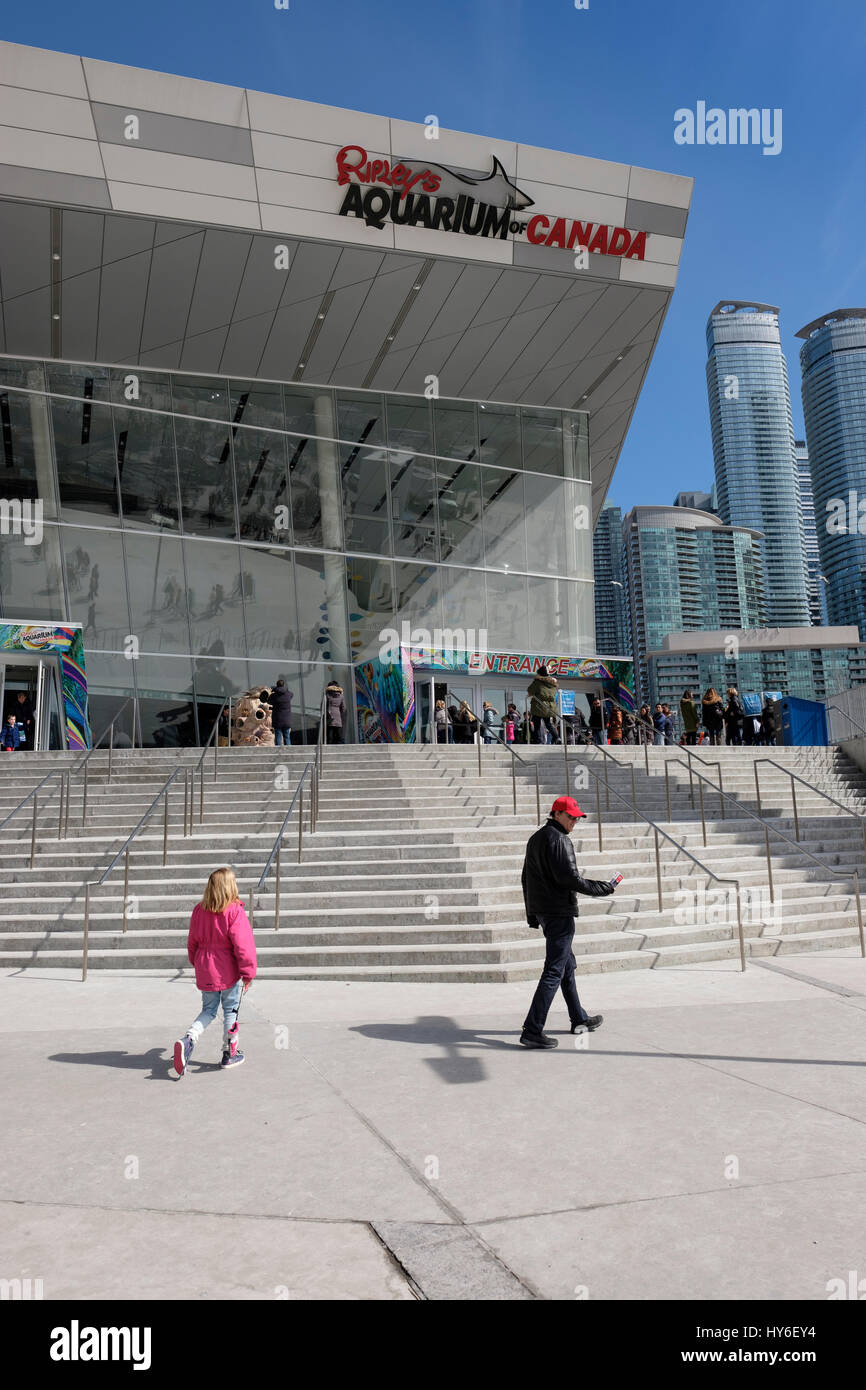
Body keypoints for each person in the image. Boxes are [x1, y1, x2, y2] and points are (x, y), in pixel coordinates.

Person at [520, 796, 617, 1049]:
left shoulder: (536, 838)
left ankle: (578, 1018)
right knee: (554, 970)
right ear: (557, 814)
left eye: (577, 818)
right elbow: (571, 879)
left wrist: (532, 914)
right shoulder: (560, 839)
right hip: (559, 914)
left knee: (566, 966)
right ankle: (532, 1029)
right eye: (571, 816)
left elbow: (526, 879)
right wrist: (603, 888)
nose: (575, 821)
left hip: (545, 912)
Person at [173, 867, 257, 1075]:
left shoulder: (199, 910)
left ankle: (189, 1038)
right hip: (226, 968)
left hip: (205, 965)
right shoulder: (234, 911)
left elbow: (192, 941)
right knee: (230, 1009)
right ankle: (229, 1052)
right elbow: (243, 945)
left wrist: (197, 962)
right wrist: (248, 973)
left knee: (208, 1010)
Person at [527, 665, 560, 744]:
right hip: (549, 707)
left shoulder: (537, 682)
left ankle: (537, 741)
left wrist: (535, 680)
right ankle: (556, 737)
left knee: (537, 725)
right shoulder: (553, 684)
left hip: (538, 706)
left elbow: (530, 690)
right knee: (548, 724)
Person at [268, 678, 294, 746]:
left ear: (277, 685)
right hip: (287, 720)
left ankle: (278, 753)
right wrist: (285, 689)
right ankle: (288, 752)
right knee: (287, 737)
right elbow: (291, 694)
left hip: (277, 720)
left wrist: (273, 690)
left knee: (278, 737)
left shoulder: (274, 696)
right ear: (284, 685)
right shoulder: (288, 694)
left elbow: (269, 701)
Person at [325, 679, 347, 744]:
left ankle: (328, 750)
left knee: (330, 736)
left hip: (329, 716)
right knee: (339, 735)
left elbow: (323, 707)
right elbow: (344, 708)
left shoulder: (327, 695)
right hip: (338, 717)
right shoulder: (341, 696)